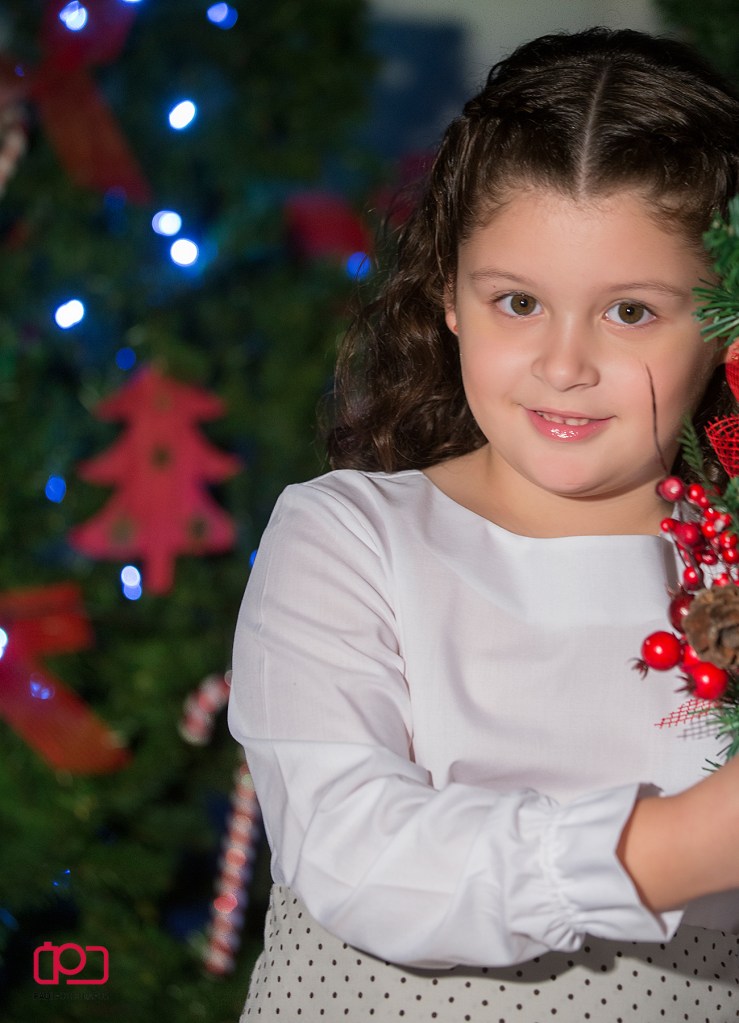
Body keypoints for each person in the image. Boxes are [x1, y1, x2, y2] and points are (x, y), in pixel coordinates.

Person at [228, 26, 739, 1021]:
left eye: (629, 312)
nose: (563, 364)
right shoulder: (349, 538)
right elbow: (350, 849)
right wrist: (671, 848)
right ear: (452, 298)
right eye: (517, 302)